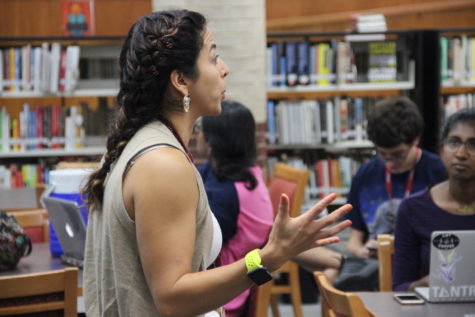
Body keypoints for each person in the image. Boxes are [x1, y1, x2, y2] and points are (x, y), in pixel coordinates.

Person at [81, 10, 352, 317]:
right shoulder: (163, 165)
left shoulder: (138, 146)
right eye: (213, 58)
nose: (225, 69)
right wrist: (267, 258)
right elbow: (173, 299)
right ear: (181, 81)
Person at [197, 100, 344, 317]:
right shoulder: (242, 172)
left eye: (201, 131)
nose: (196, 135)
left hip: (223, 296)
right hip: (226, 281)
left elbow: (202, 245)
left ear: (212, 141)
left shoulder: (228, 194)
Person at [344, 96, 447, 259]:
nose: (390, 163)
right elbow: (354, 240)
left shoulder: (439, 172)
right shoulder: (365, 174)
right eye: (382, 154)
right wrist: (361, 251)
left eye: (398, 154)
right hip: (375, 263)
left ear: (416, 140)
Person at [393, 108, 475, 291]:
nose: (461, 154)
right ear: (441, 150)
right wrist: (423, 285)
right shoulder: (413, 209)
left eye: (473, 145)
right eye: (454, 142)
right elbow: (400, 287)